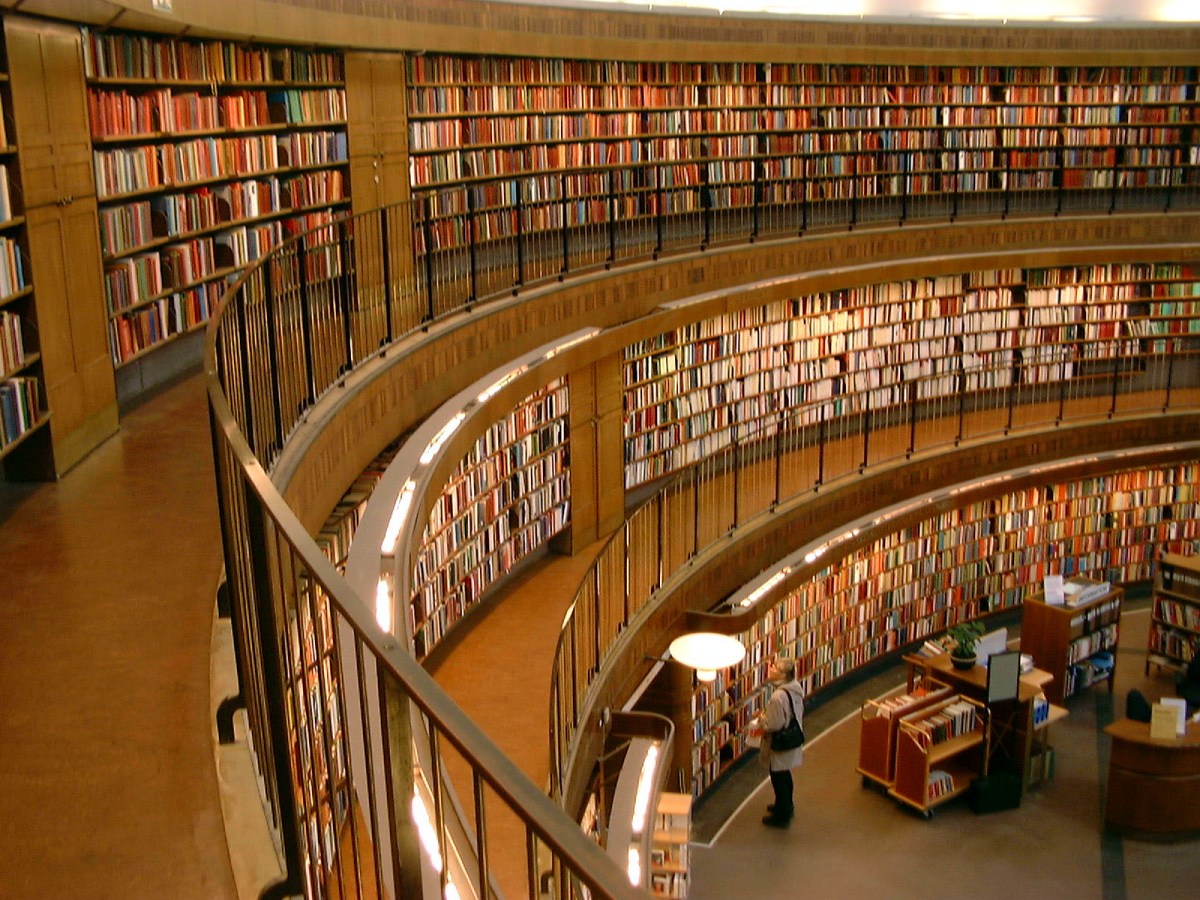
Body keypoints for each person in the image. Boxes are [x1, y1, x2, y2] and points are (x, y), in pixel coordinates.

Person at [758, 656, 805, 828]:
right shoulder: (795, 688)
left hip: (780, 742)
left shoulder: (778, 697)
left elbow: (774, 724)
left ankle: (782, 814)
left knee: (778, 777)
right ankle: (785, 805)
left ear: (782, 675)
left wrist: (762, 720)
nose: (770, 668)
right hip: (792, 736)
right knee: (785, 774)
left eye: (775, 667)